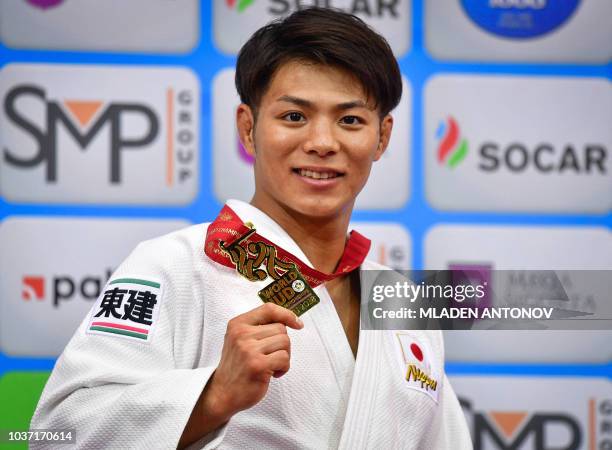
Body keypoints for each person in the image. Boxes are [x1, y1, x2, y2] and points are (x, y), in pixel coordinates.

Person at [31, 7, 472, 449]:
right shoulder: (177, 265)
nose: (322, 143)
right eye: (294, 117)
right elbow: (54, 433)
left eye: (350, 120)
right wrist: (213, 397)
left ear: (382, 137)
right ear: (248, 128)